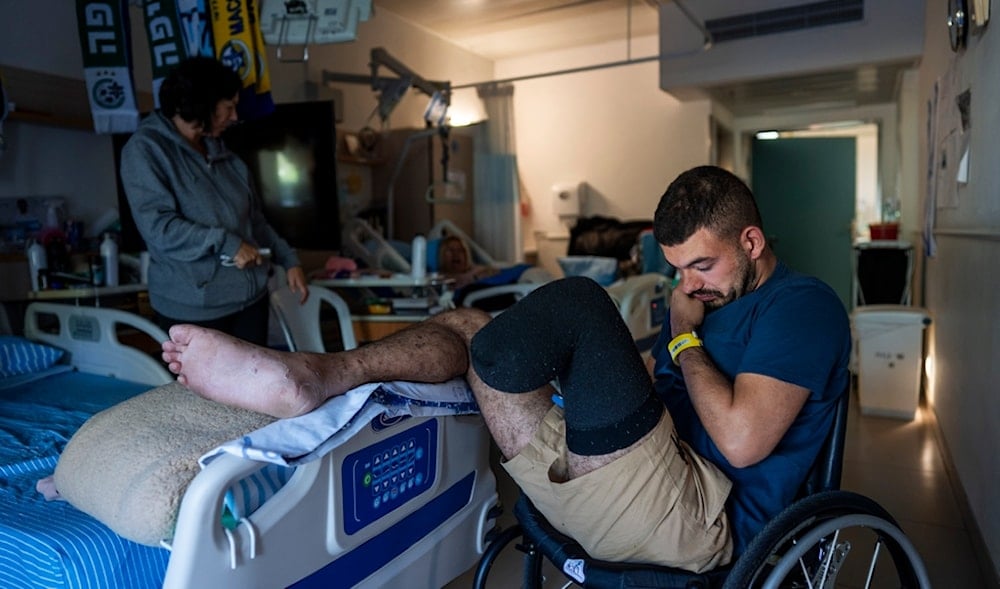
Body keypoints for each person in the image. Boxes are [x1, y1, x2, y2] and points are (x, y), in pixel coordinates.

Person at [160, 165, 850, 571]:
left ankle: (322, 373)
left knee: (581, 303)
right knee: (468, 330)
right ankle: (318, 373)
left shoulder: (802, 308)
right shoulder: (706, 299)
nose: (689, 285)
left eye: (702, 265)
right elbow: (659, 397)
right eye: (677, 271)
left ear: (752, 241)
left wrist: (679, 342)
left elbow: (739, 440)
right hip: (618, 475)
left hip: (698, 518)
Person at [121, 56, 308, 346]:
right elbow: (159, 228)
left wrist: (289, 259)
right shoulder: (146, 151)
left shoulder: (225, 156)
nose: (235, 116)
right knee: (203, 393)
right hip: (195, 309)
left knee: (252, 388)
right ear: (202, 104)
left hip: (251, 300)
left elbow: (254, 221)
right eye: (228, 107)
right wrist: (228, 244)